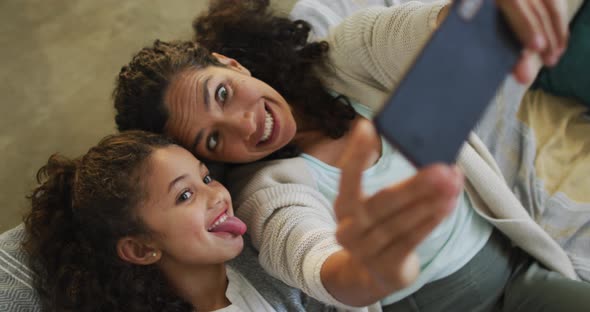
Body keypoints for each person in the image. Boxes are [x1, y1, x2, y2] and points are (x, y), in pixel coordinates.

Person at [112, 0, 590, 311]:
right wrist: (364, 272)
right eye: (213, 140)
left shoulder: (340, 60)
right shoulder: (265, 189)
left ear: (230, 63)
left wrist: (484, 16)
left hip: (519, 270)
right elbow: (309, 255)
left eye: (221, 93)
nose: (244, 124)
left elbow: (416, 32)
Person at [21, 131, 332, 312]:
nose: (216, 196)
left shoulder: (263, 268)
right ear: (142, 249)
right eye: (185, 195)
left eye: (206, 177)